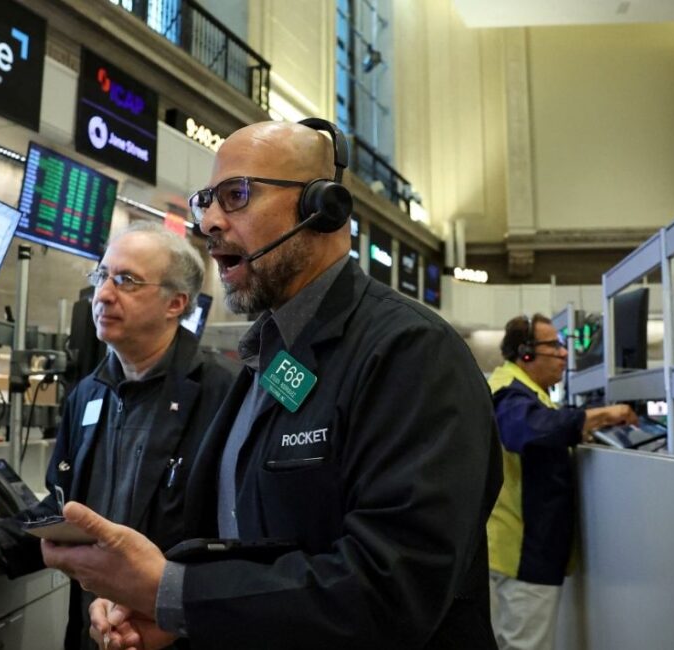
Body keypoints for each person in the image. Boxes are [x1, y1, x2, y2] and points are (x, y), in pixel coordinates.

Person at [39, 118, 503, 650]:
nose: (209, 222)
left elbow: (393, 588)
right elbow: (254, 546)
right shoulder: (267, 357)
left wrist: (175, 591)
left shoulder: (411, 353)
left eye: (236, 195)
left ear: (322, 208)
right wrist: (176, 611)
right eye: (206, 201)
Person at [0, 222, 238, 650]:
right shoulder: (89, 393)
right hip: (96, 631)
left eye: (126, 281)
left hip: (175, 632)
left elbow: (235, 537)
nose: (103, 294)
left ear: (175, 303)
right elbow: (64, 504)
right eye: (102, 276)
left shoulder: (225, 392)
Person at [486, 314, 638, 650]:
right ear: (526, 353)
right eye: (554, 345)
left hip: (515, 547)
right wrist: (598, 416)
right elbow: (526, 432)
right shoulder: (509, 395)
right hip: (523, 550)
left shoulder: (524, 393)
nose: (564, 353)